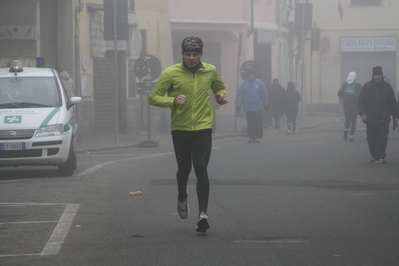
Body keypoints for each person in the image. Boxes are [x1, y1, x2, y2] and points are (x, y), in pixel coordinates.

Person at [149, 36, 228, 233]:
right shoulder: (171, 73)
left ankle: (203, 214)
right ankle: (182, 195)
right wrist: (173, 101)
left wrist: (220, 95)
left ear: (201, 55)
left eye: (195, 54)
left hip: (203, 127)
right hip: (180, 129)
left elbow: (219, 86)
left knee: (200, 167)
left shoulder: (210, 70)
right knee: (183, 171)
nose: (191, 58)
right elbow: (153, 97)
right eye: (188, 54)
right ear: (182, 55)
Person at [358, 66, 399, 164]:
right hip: (370, 118)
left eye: (379, 75)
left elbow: (392, 103)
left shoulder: (387, 87)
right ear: (373, 76)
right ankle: (374, 154)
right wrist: (363, 114)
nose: (378, 77)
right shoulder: (367, 87)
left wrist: (395, 117)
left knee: (382, 137)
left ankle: (381, 156)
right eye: (376, 75)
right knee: (371, 138)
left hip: (384, 118)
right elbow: (361, 102)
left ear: (382, 76)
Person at [236, 70, 269, 143]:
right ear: (247, 76)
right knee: (250, 123)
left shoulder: (260, 83)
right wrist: (238, 105)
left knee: (258, 122)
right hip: (248, 107)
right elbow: (240, 96)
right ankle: (251, 137)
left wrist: (266, 104)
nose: (251, 76)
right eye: (249, 74)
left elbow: (264, 94)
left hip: (258, 107)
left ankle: (258, 136)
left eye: (252, 74)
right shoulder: (243, 84)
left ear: (254, 75)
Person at [337, 71, 362, 141]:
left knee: (348, 119)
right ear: (355, 77)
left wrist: (343, 98)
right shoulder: (357, 85)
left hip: (346, 104)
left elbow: (339, 94)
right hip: (355, 105)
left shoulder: (345, 84)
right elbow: (363, 93)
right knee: (354, 120)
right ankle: (351, 136)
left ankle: (346, 129)